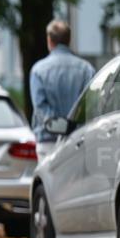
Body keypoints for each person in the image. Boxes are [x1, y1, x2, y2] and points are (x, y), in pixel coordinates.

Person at [29, 19, 94, 159]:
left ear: (49, 40)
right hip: (78, 140)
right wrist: (70, 126)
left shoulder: (38, 70)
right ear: (69, 40)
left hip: (47, 141)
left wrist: (58, 125)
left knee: (47, 180)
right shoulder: (86, 69)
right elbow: (90, 106)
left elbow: (40, 107)